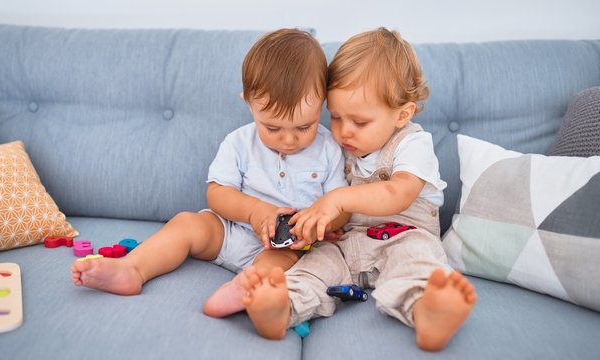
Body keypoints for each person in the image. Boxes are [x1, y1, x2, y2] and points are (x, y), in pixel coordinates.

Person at [70, 29, 349, 319]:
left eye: (304, 127)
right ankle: (131, 269)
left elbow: (341, 205)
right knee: (188, 223)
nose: (289, 140)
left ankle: (243, 288)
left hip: (284, 247)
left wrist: (320, 219)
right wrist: (254, 211)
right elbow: (217, 193)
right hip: (231, 231)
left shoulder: (328, 148)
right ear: (249, 102)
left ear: (322, 105)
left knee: (276, 263)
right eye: (273, 128)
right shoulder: (239, 142)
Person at [239, 28, 477, 351]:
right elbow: (331, 204)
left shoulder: (413, 143)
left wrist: (337, 199)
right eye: (335, 117)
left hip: (405, 235)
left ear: (402, 114)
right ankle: (281, 307)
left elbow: (399, 193)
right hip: (348, 243)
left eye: (359, 122)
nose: (343, 132)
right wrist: (319, 225)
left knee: (416, 266)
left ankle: (429, 313)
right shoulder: (343, 148)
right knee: (314, 269)